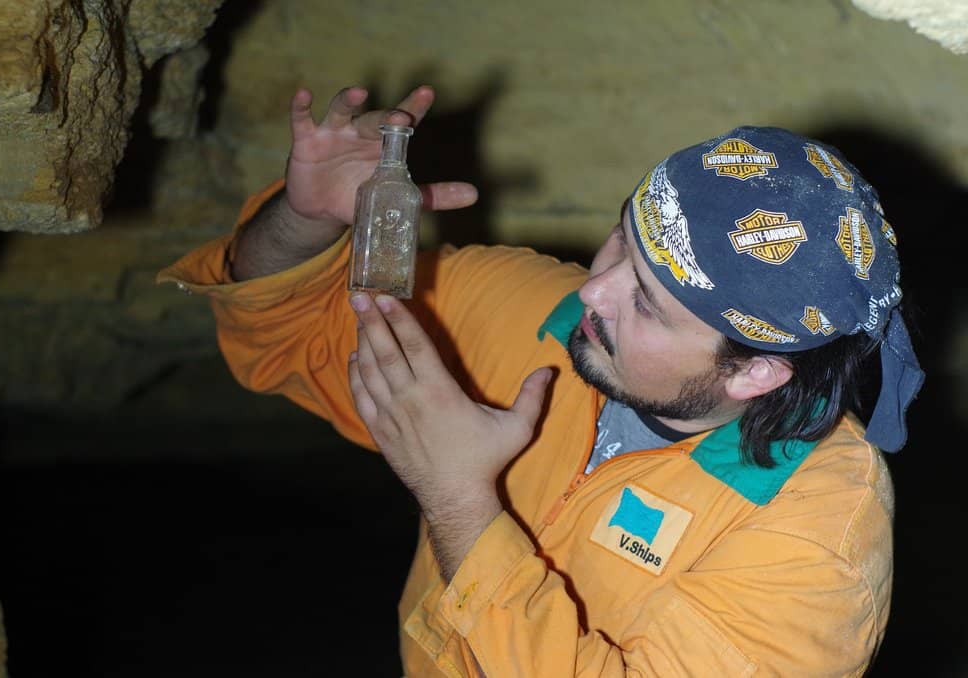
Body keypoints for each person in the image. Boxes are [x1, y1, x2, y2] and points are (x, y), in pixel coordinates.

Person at [158, 85, 924, 676]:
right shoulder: (527, 313)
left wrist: (462, 503)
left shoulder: (819, 534)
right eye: (620, 243)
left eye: (647, 304)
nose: (594, 292)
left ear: (756, 370)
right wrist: (304, 222)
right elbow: (290, 336)